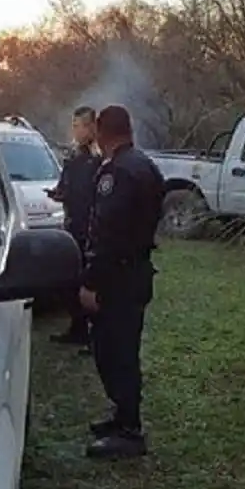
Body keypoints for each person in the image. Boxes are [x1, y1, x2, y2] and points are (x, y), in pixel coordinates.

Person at [79, 105, 165, 460]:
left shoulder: (117, 173)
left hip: (117, 278)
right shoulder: (145, 165)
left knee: (115, 353)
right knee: (122, 350)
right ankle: (122, 415)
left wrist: (91, 282)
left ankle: (130, 431)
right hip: (135, 272)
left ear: (101, 131)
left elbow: (107, 234)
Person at [46, 106, 101, 350]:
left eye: (80, 125)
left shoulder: (99, 159)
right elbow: (67, 186)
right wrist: (59, 194)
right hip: (72, 226)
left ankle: (95, 335)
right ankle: (77, 327)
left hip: (91, 229)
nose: (76, 131)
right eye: (74, 125)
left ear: (91, 127)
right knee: (67, 280)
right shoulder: (74, 155)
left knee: (92, 283)